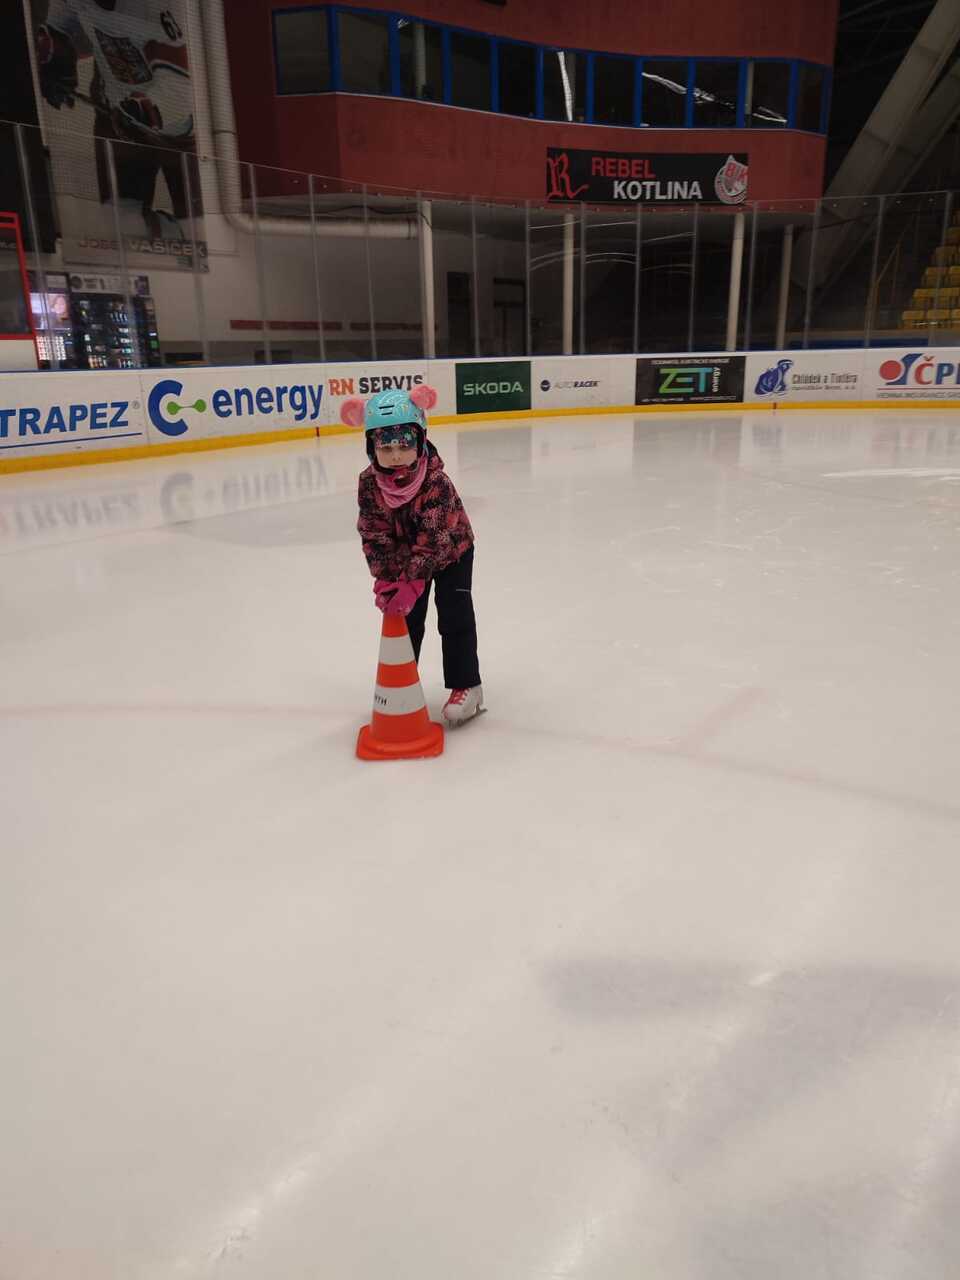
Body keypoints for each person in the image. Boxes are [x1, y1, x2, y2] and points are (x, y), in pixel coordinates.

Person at [342, 385, 484, 728]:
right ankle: (403, 683)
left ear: (420, 440)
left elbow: (433, 539)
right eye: (385, 447)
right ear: (372, 447)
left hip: (452, 552)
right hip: (407, 560)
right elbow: (373, 532)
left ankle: (467, 685)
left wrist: (412, 581)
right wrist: (386, 577)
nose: (395, 455)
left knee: (454, 615)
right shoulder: (369, 484)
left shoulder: (435, 481)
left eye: (404, 445)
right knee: (405, 619)